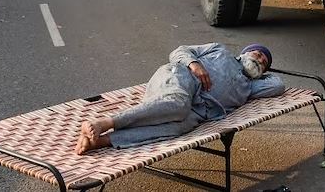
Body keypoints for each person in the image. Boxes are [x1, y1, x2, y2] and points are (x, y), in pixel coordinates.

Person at [75, 43, 284, 154]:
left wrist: (261, 73)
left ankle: (102, 141)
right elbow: (179, 51)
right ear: (244, 53)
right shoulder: (221, 51)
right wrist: (195, 64)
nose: (259, 59)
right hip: (180, 78)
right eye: (257, 54)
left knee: (177, 128)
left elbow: (278, 85)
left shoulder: (249, 87)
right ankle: (105, 122)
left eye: (263, 63)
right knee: (178, 105)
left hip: (198, 110)